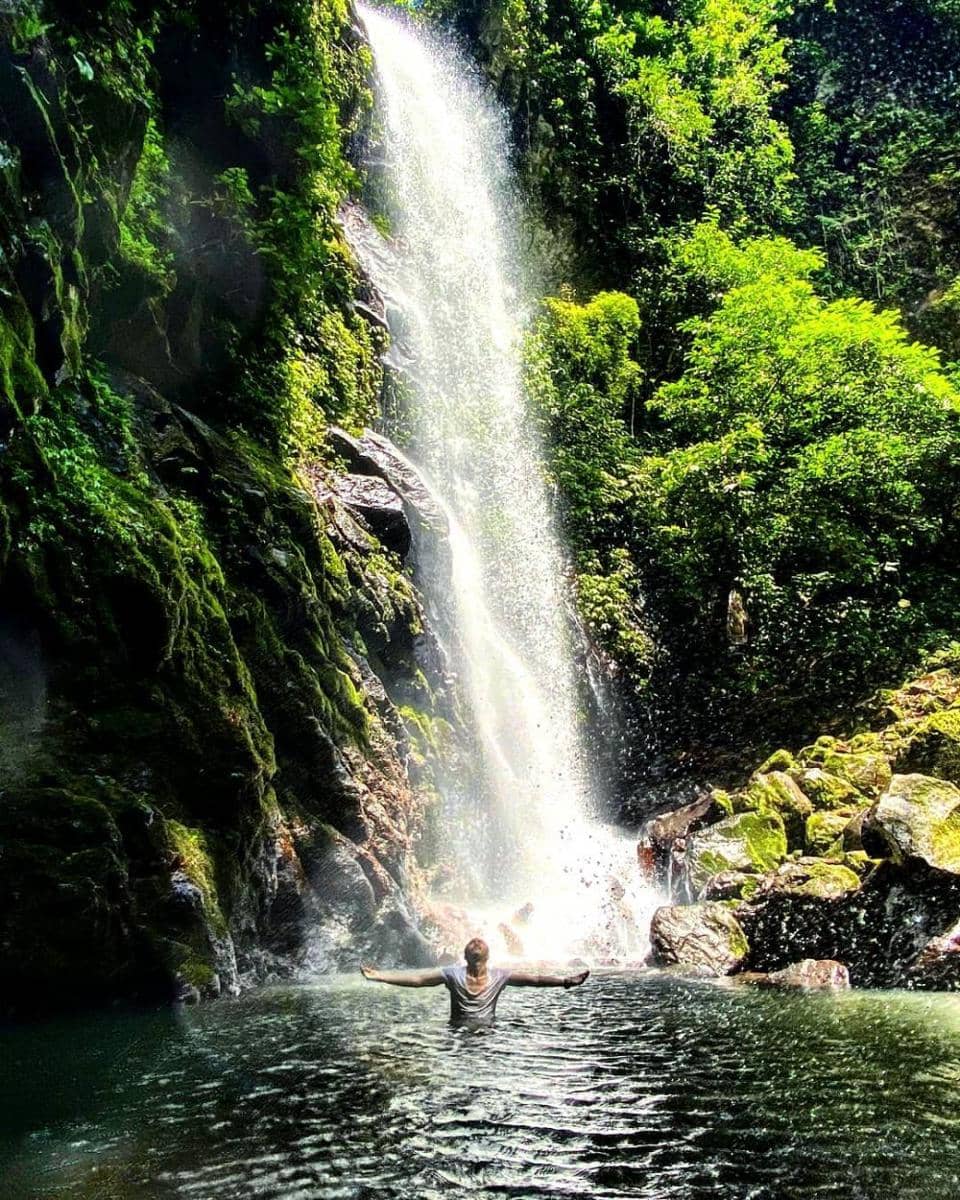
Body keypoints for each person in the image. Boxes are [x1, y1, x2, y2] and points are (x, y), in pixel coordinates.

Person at [361, 936, 589, 1022]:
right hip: (457, 1032)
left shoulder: (500, 975)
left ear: (488, 956)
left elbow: (536, 980)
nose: (476, 942)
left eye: (480, 943)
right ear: (465, 955)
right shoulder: (452, 974)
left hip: (487, 1033)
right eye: (472, 943)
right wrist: (380, 976)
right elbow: (418, 979)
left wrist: (565, 982)